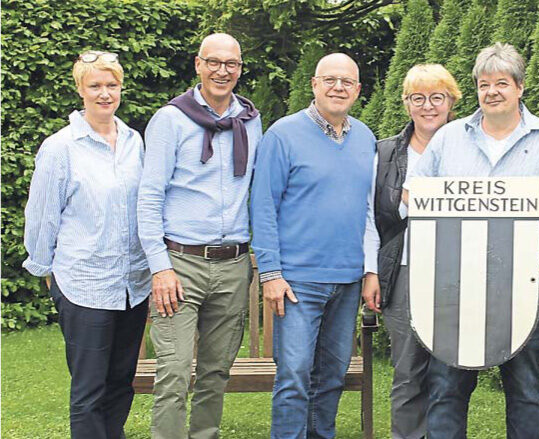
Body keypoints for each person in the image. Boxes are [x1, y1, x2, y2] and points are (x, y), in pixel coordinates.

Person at [406, 43, 539, 439]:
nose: (492, 91)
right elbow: (414, 196)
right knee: (445, 391)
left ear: (520, 88)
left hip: (524, 290)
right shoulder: (447, 138)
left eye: (502, 83)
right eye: (483, 84)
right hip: (454, 293)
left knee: (527, 391)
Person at [137, 33, 262, 439]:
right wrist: (159, 269)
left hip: (233, 264)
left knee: (216, 372)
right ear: (197, 64)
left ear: (240, 68)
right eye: (214, 62)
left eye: (232, 64)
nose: (222, 71)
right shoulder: (170, 119)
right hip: (180, 265)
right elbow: (149, 196)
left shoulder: (251, 119)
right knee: (173, 371)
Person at [23, 50, 150, 439]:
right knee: (89, 391)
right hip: (84, 286)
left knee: (119, 384)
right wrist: (45, 271)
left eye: (112, 85)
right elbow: (42, 215)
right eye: (95, 85)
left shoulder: (134, 142)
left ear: (121, 89)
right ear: (80, 89)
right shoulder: (61, 147)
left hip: (133, 286)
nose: (104, 94)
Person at [250, 52, 377, 439]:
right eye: (330, 79)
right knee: (293, 377)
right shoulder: (283, 135)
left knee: (332, 376)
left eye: (347, 82)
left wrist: (369, 269)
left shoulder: (366, 138)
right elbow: (263, 206)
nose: (338, 87)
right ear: (314, 85)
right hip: (297, 282)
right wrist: (270, 274)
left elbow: (370, 211)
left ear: (357, 90)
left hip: (348, 278)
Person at [362, 64, 462, 439]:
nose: (428, 106)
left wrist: (417, 197)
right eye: (418, 98)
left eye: (437, 97)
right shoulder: (385, 152)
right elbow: (369, 217)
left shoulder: (470, 145)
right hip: (403, 271)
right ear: (406, 104)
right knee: (408, 372)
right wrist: (372, 272)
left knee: (449, 372)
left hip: (455, 273)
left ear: (451, 101)